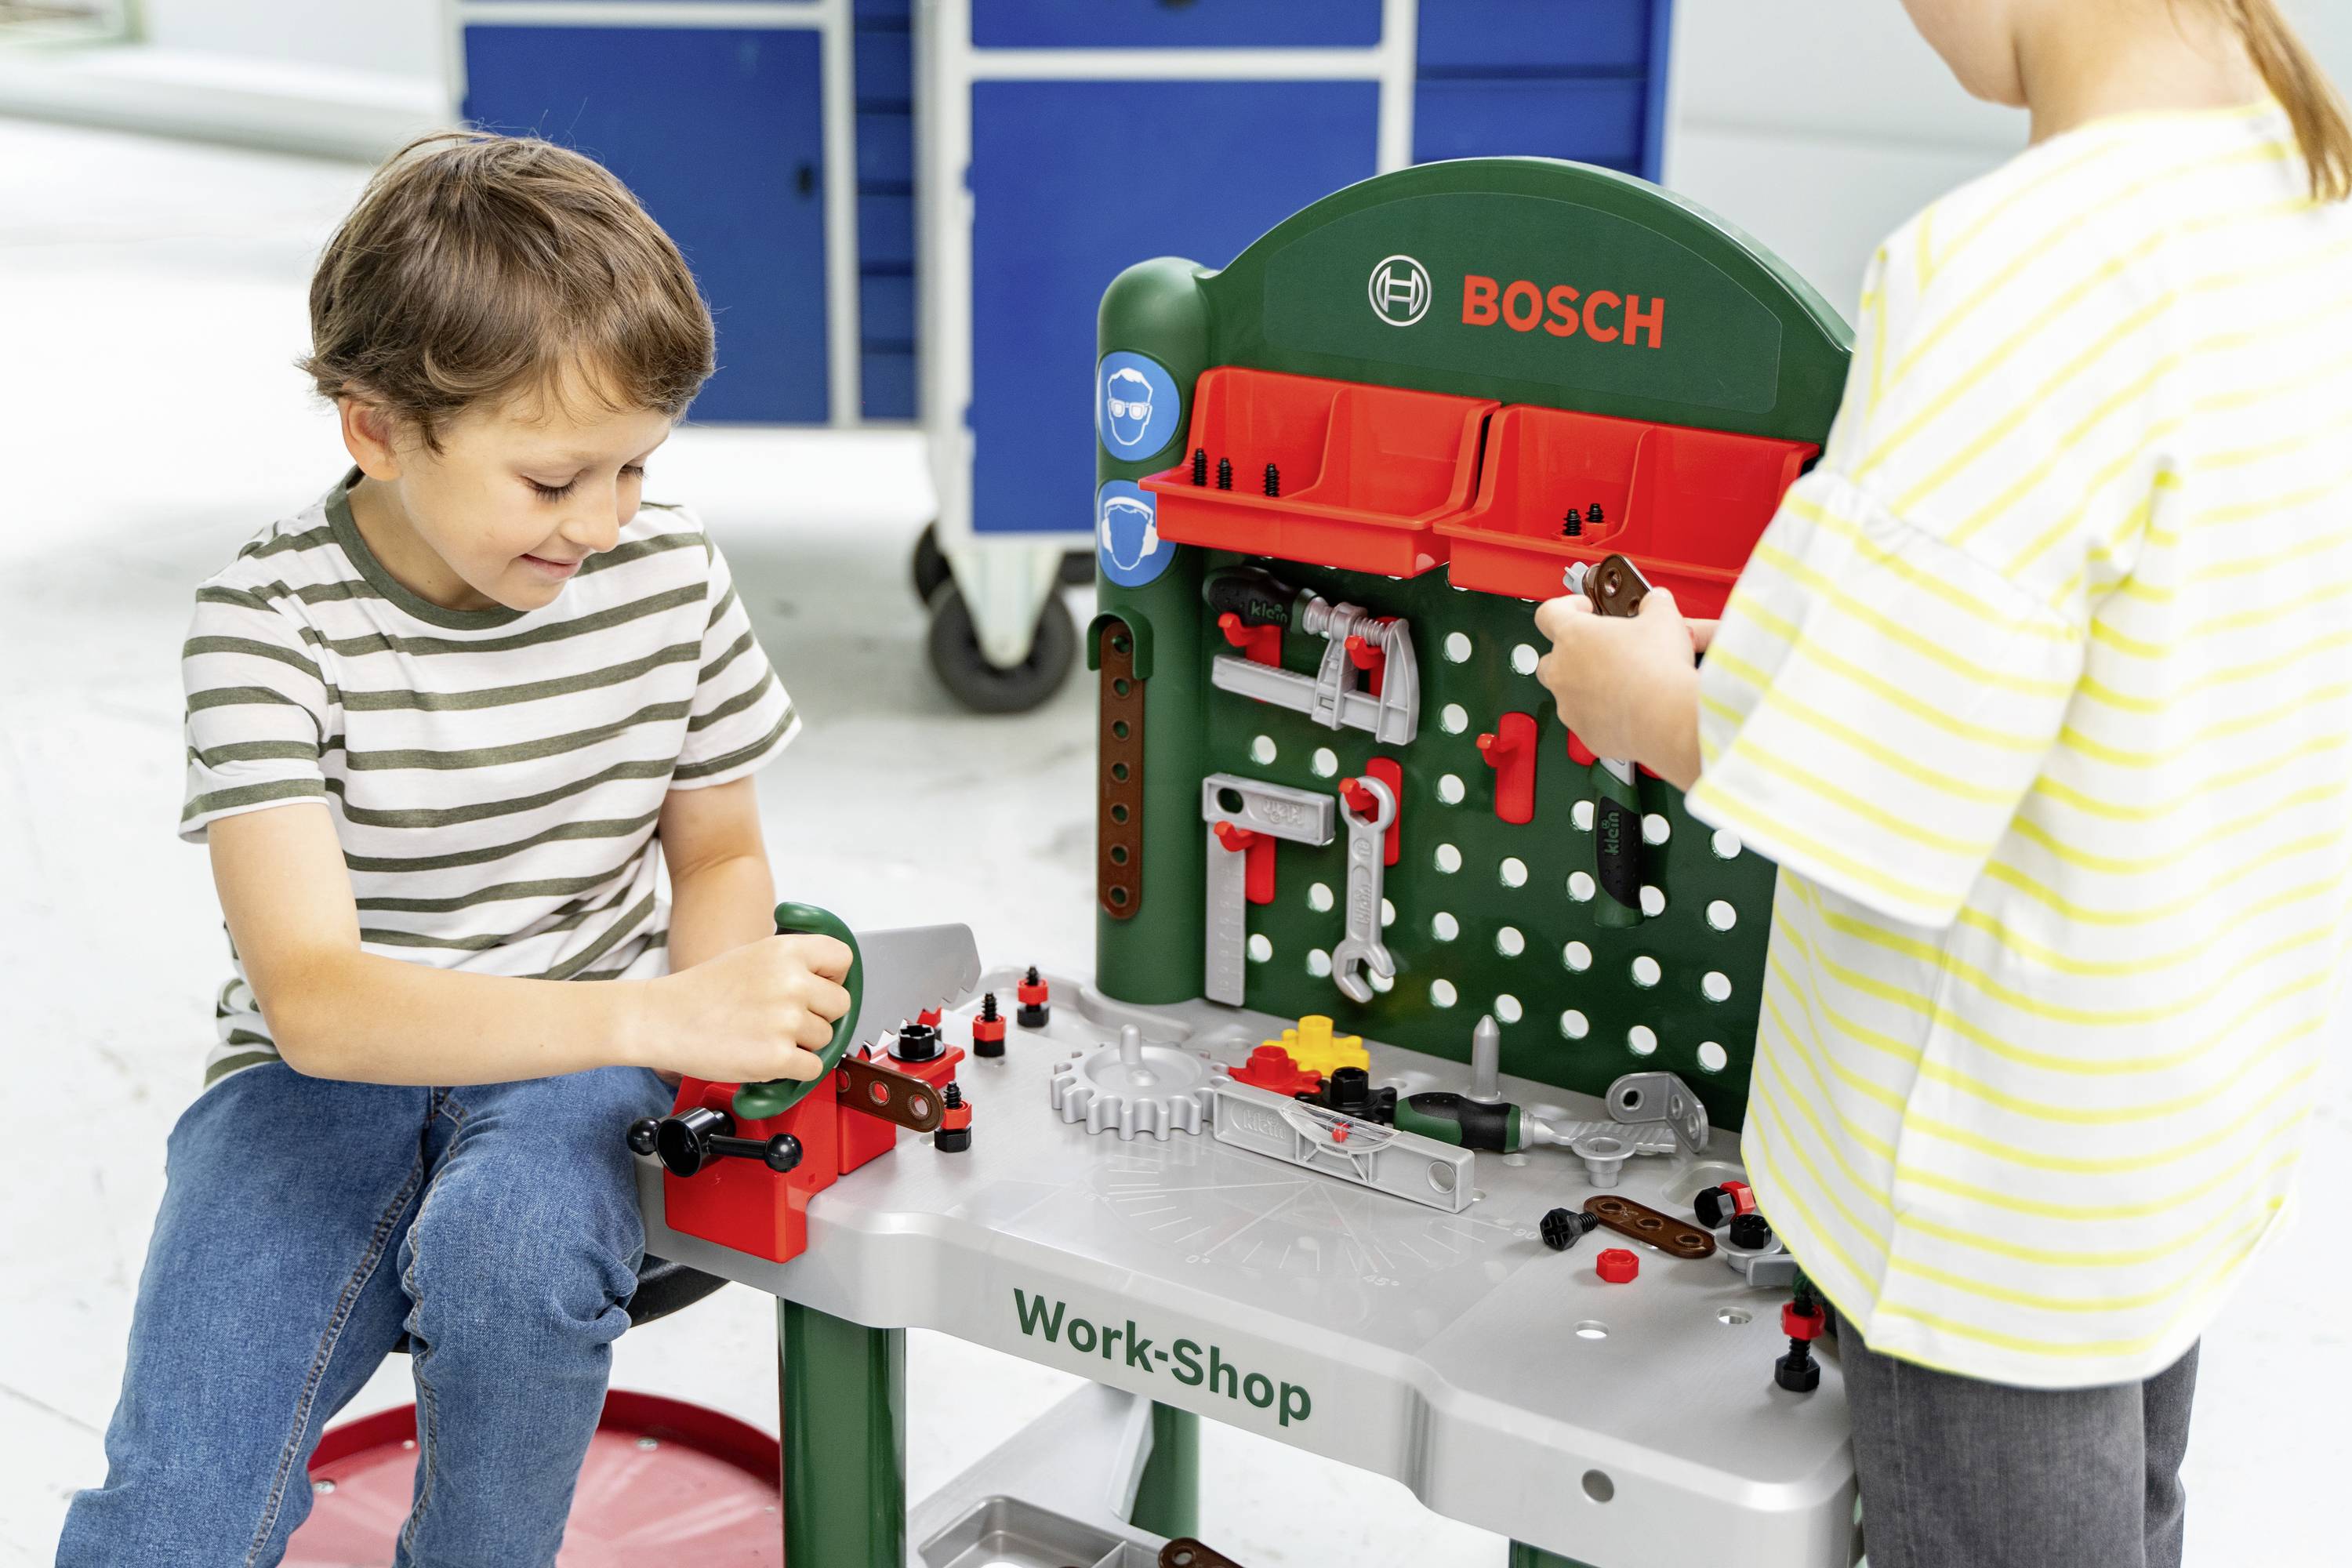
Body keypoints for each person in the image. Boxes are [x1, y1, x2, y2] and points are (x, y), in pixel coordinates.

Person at [1534, 2, 2350, 1565]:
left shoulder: (2022, 270)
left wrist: (1647, 701)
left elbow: (1874, 780)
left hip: (1986, 1180)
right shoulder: (2299, 197)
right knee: (2125, 1510)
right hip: (2171, 1118)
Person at [56, 132, 855, 1566]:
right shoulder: (266, 623)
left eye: (637, 466)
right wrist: (655, 1009)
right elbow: (316, 998)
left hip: (577, 1071)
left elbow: (721, 853)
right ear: (376, 429)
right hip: (321, 1083)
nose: (605, 523)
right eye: (554, 482)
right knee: (167, 1514)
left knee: (514, 1255)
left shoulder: (668, 574)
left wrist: (712, 1025)